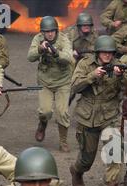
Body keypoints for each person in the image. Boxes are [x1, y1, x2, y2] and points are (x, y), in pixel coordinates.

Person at [69, 35, 123, 186]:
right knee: (87, 159)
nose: (107, 55)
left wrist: (121, 77)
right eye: (104, 52)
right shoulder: (85, 64)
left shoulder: (119, 65)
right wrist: (92, 76)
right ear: (98, 52)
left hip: (110, 115)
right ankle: (76, 171)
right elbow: (75, 86)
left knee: (115, 153)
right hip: (87, 116)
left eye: (110, 52)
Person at [27, 16, 74, 153]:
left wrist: (55, 52)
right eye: (47, 31)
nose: (50, 34)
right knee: (45, 111)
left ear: (56, 30)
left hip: (63, 80)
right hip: (45, 80)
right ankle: (42, 124)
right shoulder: (38, 39)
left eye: (52, 31)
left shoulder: (64, 39)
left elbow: (68, 58)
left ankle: (63, 141)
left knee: (62, 112)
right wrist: (40, 49)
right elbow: (30, 57)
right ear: (42, 32)